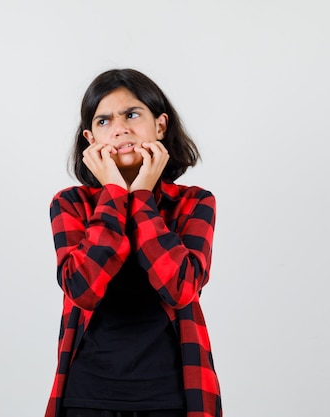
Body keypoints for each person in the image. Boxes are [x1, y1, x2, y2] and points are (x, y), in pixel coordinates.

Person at [45, 69, 222, 417]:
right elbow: (82, 288)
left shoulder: (195, 203)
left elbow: (180, 288)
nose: (120, 128)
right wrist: (113, 193)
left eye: (132, 114)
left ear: (160, 125)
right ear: (90, 139)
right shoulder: (70, 204)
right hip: (86, 397)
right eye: (104, 120)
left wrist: (140, 196)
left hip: (172, 397)